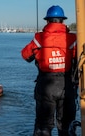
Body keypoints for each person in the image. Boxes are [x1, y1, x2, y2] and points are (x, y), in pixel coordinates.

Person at [21, 5, 77, 136]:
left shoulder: (39, 39)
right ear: (63, 21)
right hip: (66, 85)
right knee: (66, 124)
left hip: (45, 85)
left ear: (47, 21)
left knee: (43, 125)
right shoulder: (73, 40)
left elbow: (25, 55)